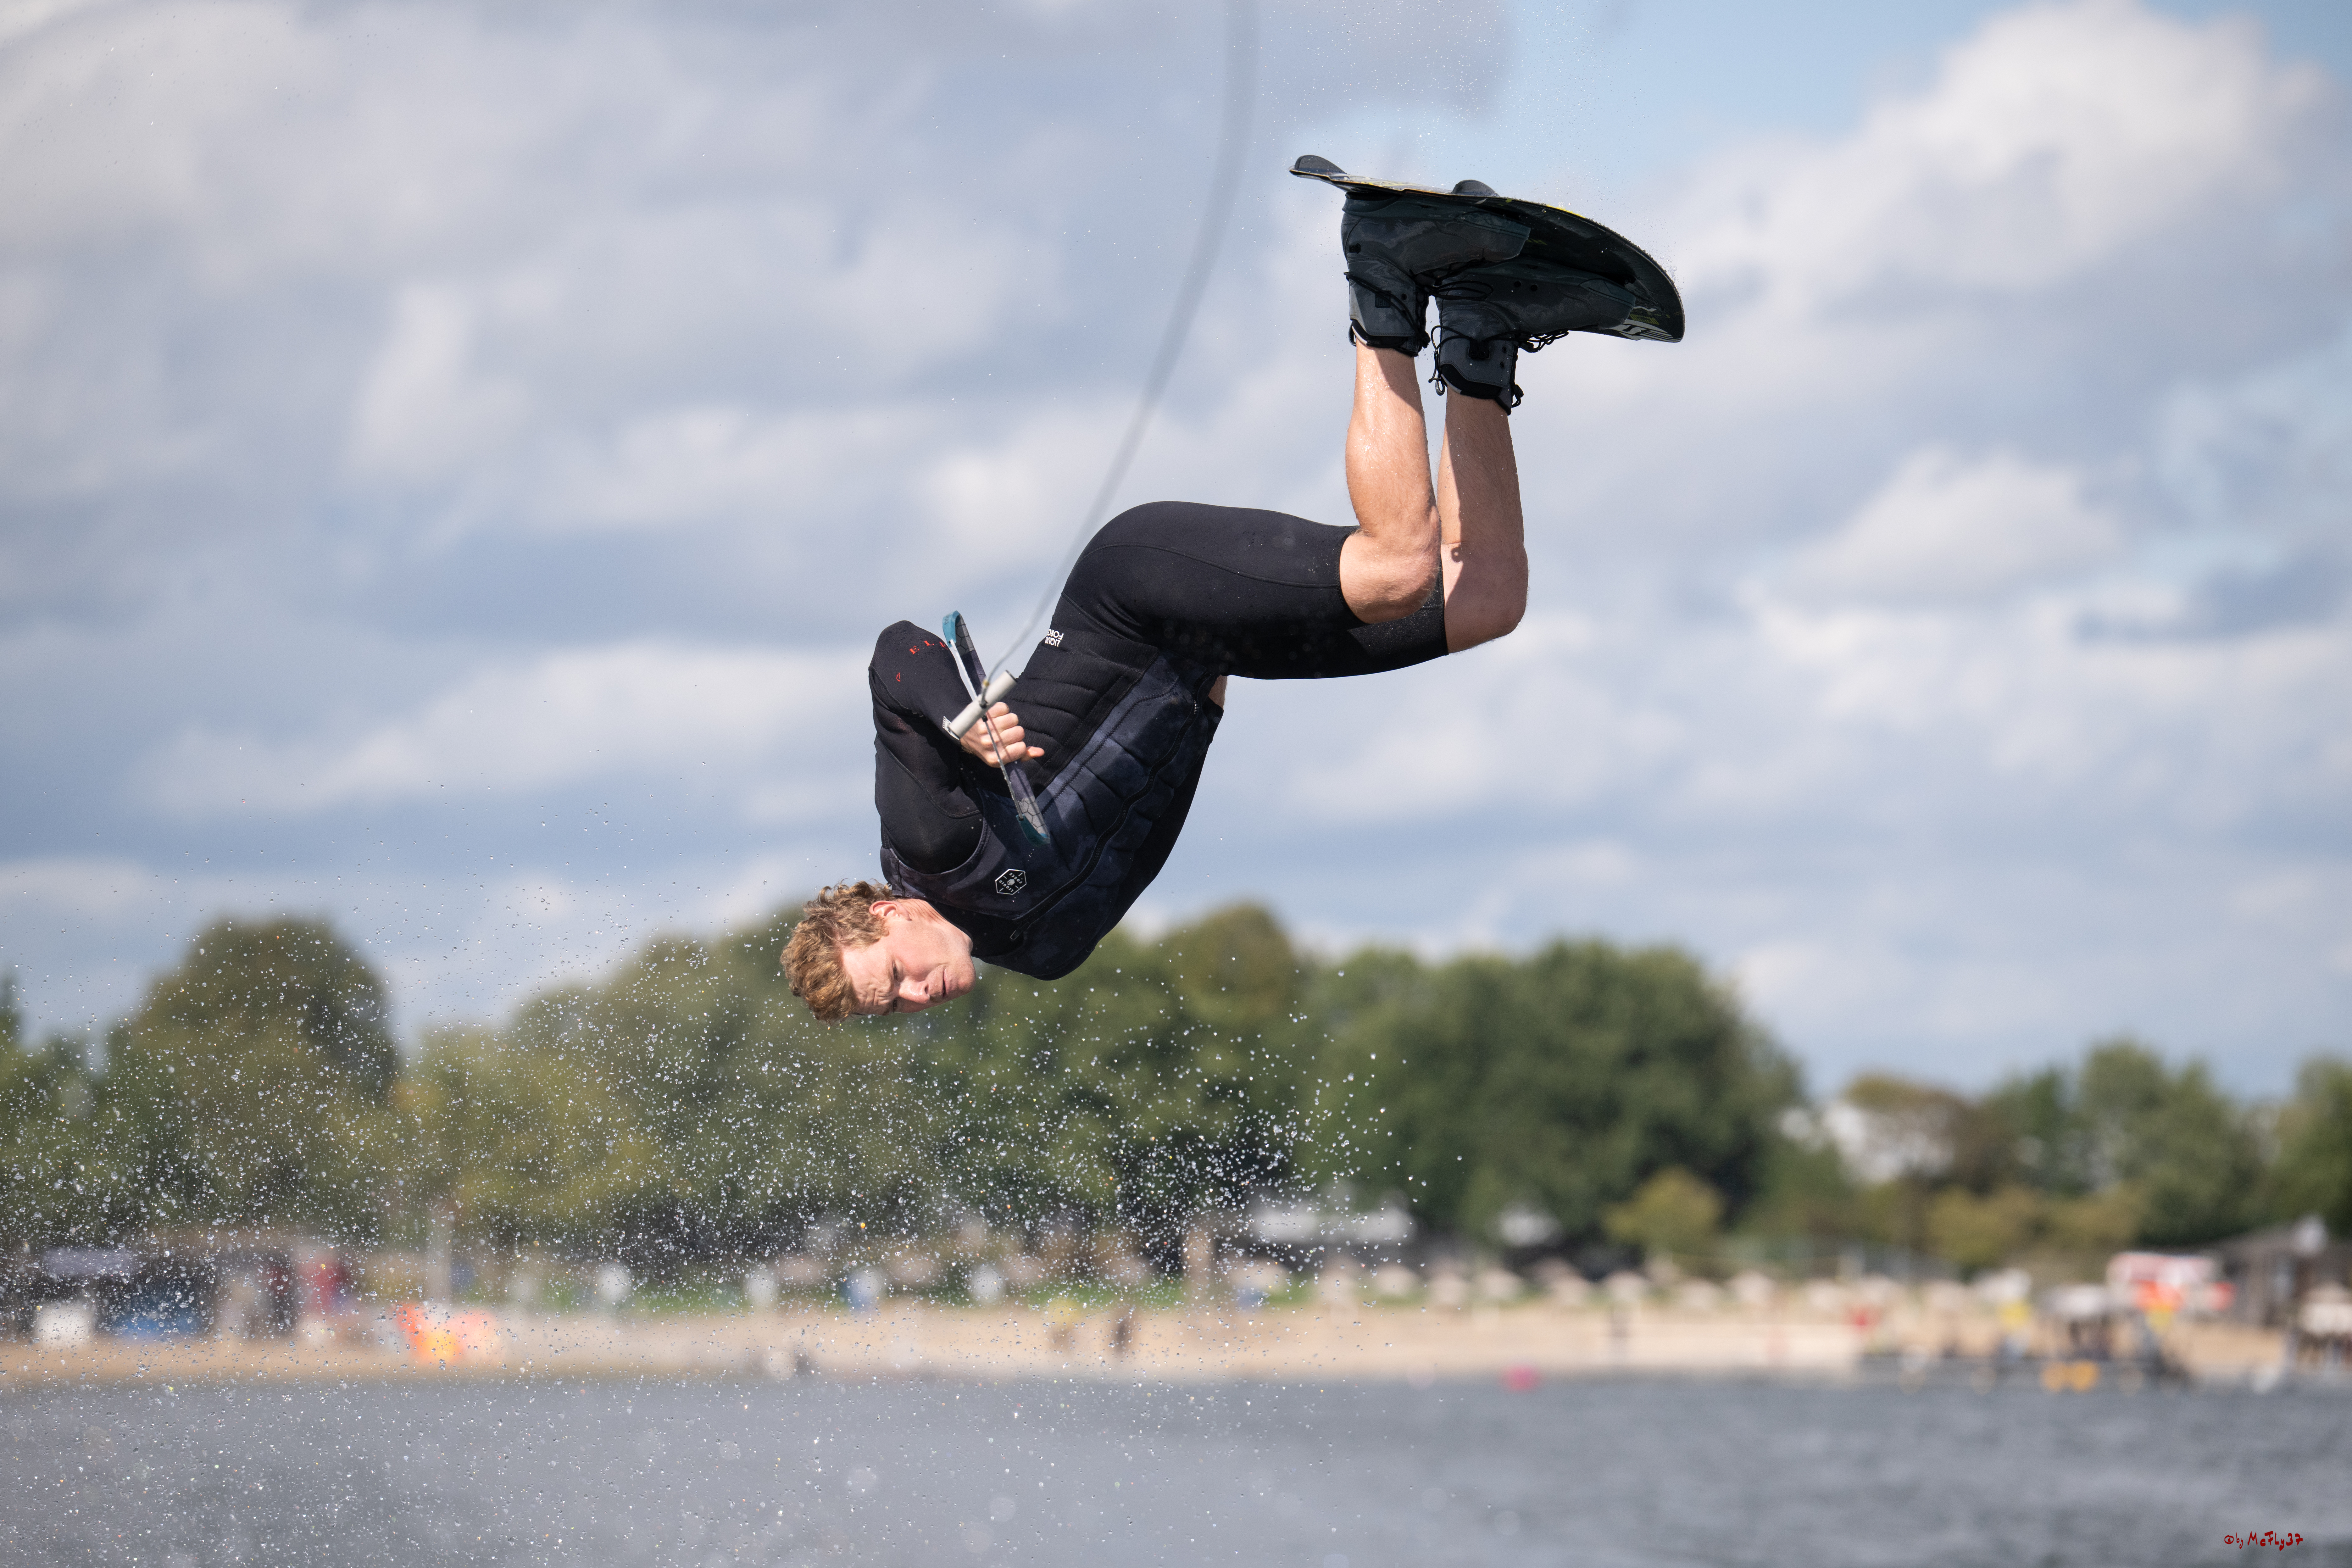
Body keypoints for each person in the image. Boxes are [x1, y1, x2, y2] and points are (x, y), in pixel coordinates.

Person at [785, 178, 1638, 1019]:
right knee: (1485, 595)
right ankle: (1483, 333)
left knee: (1398, 569)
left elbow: (895, 659)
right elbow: (1154, 803)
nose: (912, 994)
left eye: (890, 974)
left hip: (1138, 601)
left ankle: (1384, 274)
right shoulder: (1046, 950)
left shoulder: (931, 844)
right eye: (891, 1005)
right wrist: (1208, 698)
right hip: (1206, 660)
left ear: (890, 916)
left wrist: (961, 715)